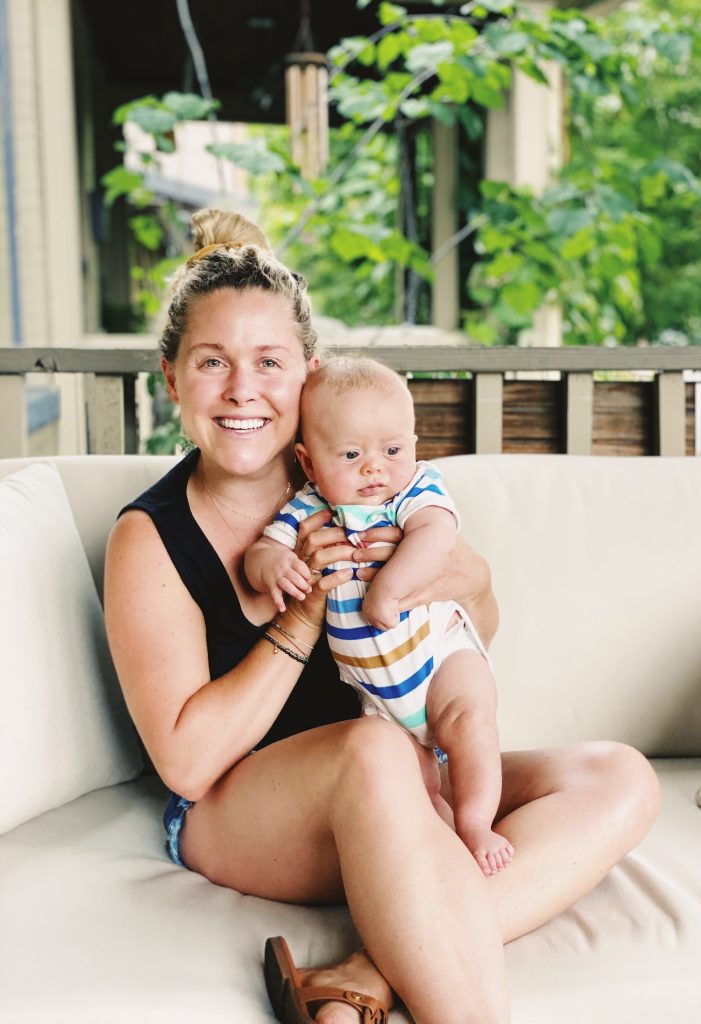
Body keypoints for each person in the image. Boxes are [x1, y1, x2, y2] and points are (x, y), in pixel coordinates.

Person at [104, 207, 661, 1024]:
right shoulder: (149, 536)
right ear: (171, 376)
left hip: (399, 783)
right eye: (212, 362)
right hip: (239, 809)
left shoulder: (370, 483)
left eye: (269, 362)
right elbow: (187, 764)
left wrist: (469, 580)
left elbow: (466, 642)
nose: (243, 390)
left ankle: (369, 970)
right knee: (372, 749)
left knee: (619, 777)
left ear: (309, 374)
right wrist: (299, 621)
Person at [245, 355, 513, 876]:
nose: (375, 467)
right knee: (409, 783)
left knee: (470, 721)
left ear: (414, 445)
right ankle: (444, 846)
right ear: (309, 462)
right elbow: (261, 550)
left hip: (440, 657)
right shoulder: (309, 506)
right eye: (350, 454)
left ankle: (477, 822)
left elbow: (437, 538)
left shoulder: (413, 491)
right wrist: (274, 565)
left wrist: (385, 592)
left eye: (393, 449)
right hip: (375, 697)